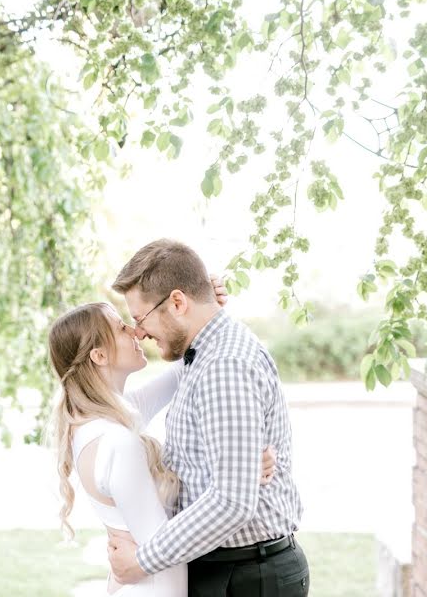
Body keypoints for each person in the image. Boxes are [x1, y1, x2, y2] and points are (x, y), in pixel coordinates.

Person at [48, 280, 278, 596]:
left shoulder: (103, 418)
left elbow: (189, 365)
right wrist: (240, 479)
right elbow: (164, 559)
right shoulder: (117, 441)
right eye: (121, 328)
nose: (136, 332)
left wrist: (202, 313)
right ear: (99, 355)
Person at [107, 239, 308, 597]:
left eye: (140, 319)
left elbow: (231, 502)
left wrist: (142, 561)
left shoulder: (223, 365)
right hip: (228, 569)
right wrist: (235, 465)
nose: (139, 332)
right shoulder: (200, 355)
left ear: (178, 302)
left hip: (244, 577)